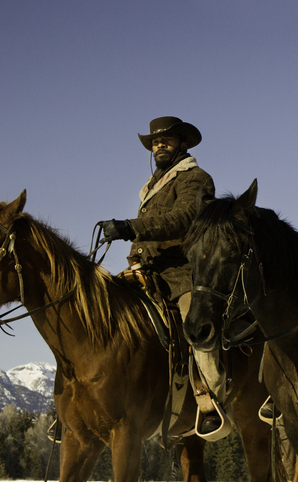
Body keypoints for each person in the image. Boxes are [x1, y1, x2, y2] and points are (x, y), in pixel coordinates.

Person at [96, 116, 227, 438]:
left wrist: (130, 227)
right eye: (155, 141)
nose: (159, 145)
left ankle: (211, 400)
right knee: (96, 312)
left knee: (197, 328)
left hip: (181, 273)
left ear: (183, 142)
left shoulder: (196, 178)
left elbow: (183, 218)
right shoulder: (153, 186)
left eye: (166, 139)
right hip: (144, 272)